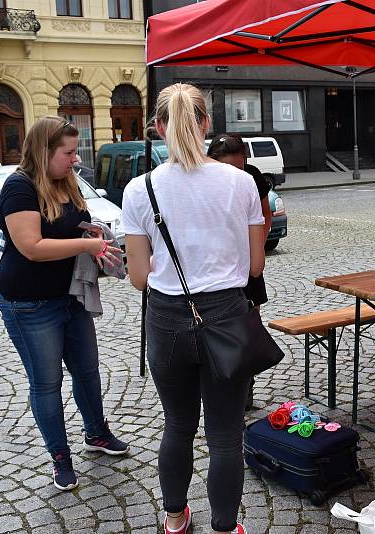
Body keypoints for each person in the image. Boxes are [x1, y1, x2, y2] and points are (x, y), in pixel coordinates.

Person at [122, 83, 264, 534]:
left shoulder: (138, 189)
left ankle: (174, 518)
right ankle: (225, 527)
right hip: (226, 313)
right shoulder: (241, 182)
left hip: (166, 317)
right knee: (225, 434)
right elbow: (255, 265)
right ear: (206, 123)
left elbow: (139, 276)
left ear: (158, 127)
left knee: (178, 424)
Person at [0, 116, 130, 492]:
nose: (75, 159)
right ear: (44, 151)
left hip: (69, 297)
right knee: (47, 383)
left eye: (75, 151)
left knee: (87, 370)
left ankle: (97, 433)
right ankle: (60, 456)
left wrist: (91, 232)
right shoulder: (19, 188)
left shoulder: (66, 182)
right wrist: (87, 245)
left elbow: (73, 225)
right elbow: (32, 247)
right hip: (30, 304)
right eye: (68, 152)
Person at [206, 133, 273, 412]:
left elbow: (265, 213)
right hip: (218, 266)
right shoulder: (204, 180)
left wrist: (257, 241)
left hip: (247, 264)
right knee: (217, 329)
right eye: (229, 168)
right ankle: (217, 387)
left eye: (240, 167)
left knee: (248, 328)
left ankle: (245, 389)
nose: (236, 175)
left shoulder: (252, 177)